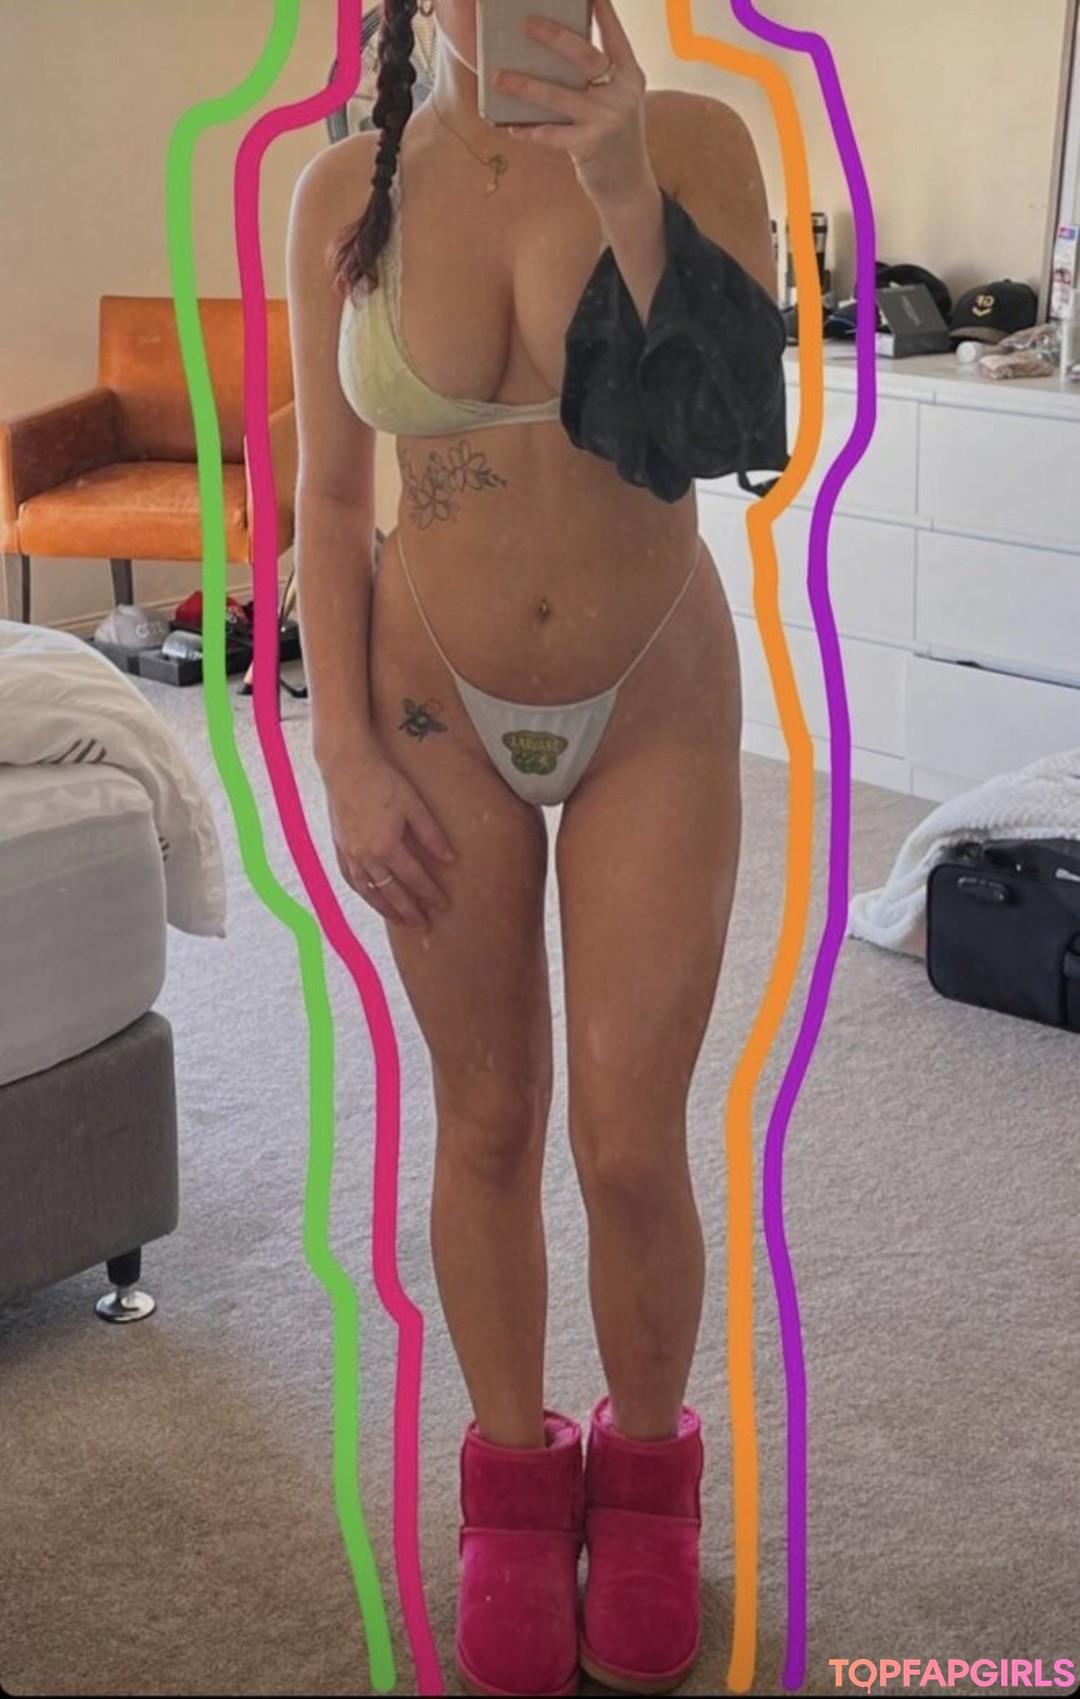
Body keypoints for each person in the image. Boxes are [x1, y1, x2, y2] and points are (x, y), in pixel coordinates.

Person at [286, 0, 786, 1692]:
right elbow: (329, 501)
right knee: (487, 1118)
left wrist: (628, 182)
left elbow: (732, 426)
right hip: (433, 709)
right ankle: (509, 1489)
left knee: (630, 1143)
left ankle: (645, 1482)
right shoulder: (345, 189)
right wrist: (343, 750)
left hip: (652, 698)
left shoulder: (698, 140)